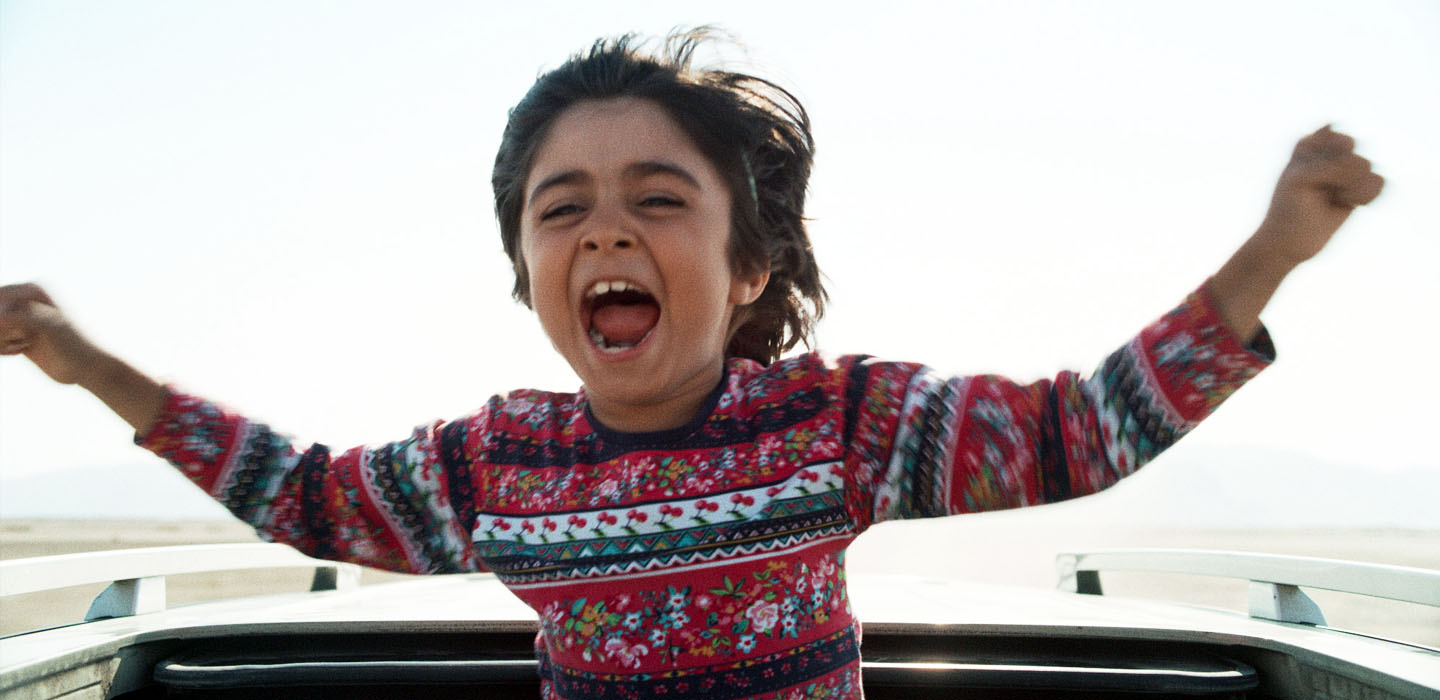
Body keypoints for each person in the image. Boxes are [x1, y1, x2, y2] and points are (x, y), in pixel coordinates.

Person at [0, 30, 1383, 700]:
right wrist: (76, 359)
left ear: (748, 268)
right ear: (530, 275)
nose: (606, 224)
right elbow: (299, 495)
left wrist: (1272, 251)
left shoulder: (838, 424)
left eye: (660, 197)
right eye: (563, 207)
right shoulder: (496, 464)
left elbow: (1086, 430)